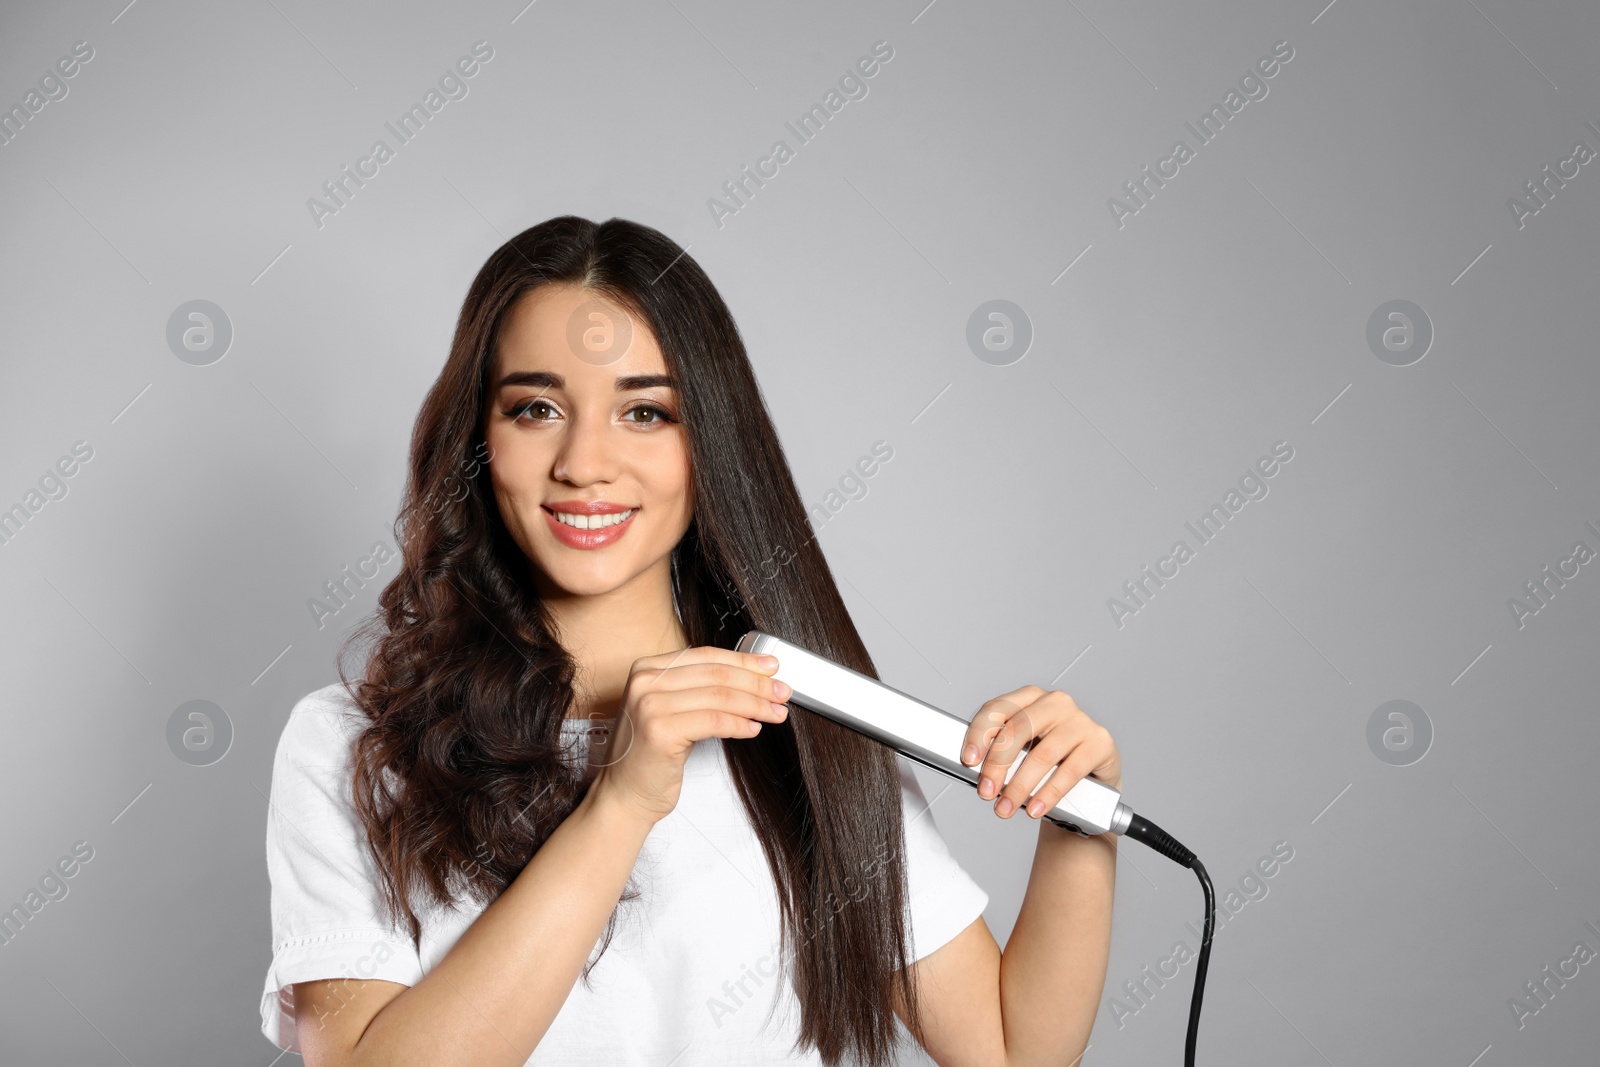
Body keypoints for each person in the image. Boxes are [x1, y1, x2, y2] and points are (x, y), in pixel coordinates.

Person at [258, 216, 1122, 1067]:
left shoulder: (808, 730)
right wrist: (622, 800)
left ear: (708, 446)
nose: (586, 462)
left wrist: (1079, 817)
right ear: (477, 438)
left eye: (645, 412)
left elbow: (1012, 1054)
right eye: (536, 407)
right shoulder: (353, 749)